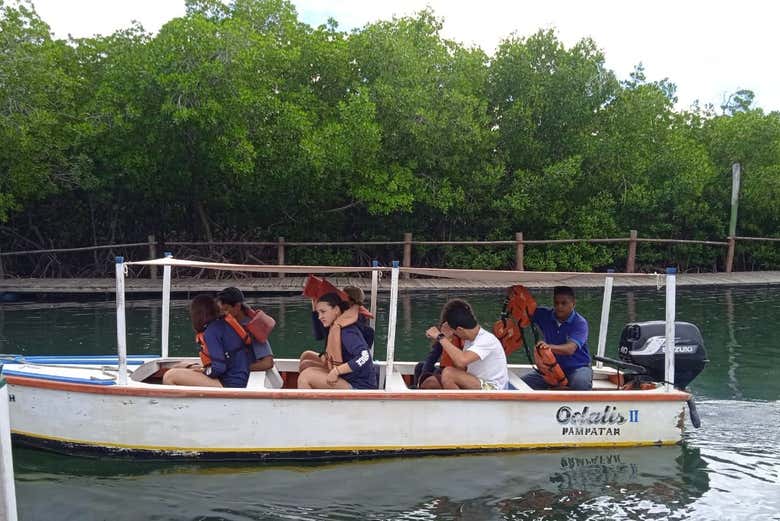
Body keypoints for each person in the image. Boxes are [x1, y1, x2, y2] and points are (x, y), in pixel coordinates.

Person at [162, 294, 252, 388]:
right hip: (239, 376)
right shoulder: (223, 325)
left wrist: (203, 371)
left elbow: (219, 368)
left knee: (170, 376)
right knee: (181, 366)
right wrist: (198, 369)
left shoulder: (211, 332)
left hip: (230, 383)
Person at [297, 292, 378, 389]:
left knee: (305, 377)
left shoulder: (347, 332)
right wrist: (315, 306)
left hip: (359, 385)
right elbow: (319, 335)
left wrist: (337, 371)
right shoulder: (334, 325)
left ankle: (307, 403)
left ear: (336, 310)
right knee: (306, 357)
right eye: (318, 313)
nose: (320, 316)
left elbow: (365, 357)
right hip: (347, 377)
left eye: (323, 312)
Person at [424, 299, 508, 390]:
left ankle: (459, 404)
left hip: (494, 388)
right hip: (476, 381)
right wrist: (447, 339)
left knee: (448, 373)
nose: (455, 334)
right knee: (430, 383)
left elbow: (461, 360)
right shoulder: (470, 340)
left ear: (460, 330)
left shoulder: (487, 340)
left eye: (454, 331)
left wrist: (440, 337)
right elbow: (461, 367)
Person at [521, 286, 592, 390]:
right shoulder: (544, 315)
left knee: (580, 383)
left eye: (564, 303)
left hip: (578, 367)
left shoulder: (580, 323)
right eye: (556, 303)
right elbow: (525, 310)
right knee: (522, 384)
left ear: (573, 303)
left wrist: (548, 347)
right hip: (551, 369)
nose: (559, 307)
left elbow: (570, 349)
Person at [216, 287, 274, 371]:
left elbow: (267, 363)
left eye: (226, 309)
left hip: (246, 377)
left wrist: (236, 369)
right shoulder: (224, 324)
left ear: (237, 306)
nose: (223, 313)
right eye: (221, 310)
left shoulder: (252, 327)